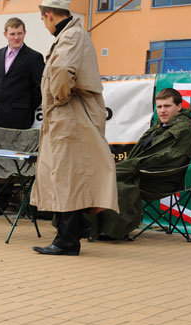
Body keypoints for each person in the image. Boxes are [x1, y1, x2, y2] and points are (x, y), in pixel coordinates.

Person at [29, 0, 118, 256]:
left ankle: (67, 241)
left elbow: (63, 70)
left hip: (69, 116)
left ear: (48, 16)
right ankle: (74, 231)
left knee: (65, 177)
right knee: (69, 175)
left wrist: (59, 98)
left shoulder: (71, 36)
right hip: (69, 116)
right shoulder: (74, 34)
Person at [90, 88, 191, 240]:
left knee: (112, 180)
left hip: (159, 179)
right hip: (141, 170)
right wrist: (131, 165)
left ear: (179, 107)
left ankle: (113, 230)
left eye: (167, 106)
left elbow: (172, 158)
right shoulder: (159, 126)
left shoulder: (184, 129)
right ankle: (89, 226)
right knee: (98, 175)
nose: (162, 111)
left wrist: (135, 165)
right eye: (159, 107)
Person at [0, 18, 44, 217]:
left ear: (24, 33)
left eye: (19, 33)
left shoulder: (33, 57)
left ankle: (0, 201)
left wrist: (23, 108)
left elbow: (39, 90)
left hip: (18, 117)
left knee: (10, 160)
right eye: (12, 33)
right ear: (5, 34)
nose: (16, 37)